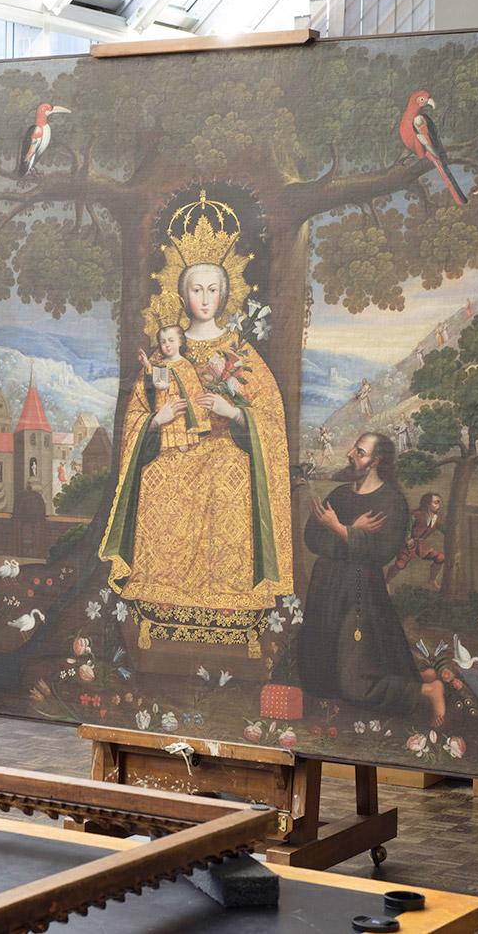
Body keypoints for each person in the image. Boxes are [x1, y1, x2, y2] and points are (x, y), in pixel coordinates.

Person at [100, 193, 294, 658]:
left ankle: (233, 611)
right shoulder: (169, 350)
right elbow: (137, 413)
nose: (204, 299)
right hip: (174, 451)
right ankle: (160, 608)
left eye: (212, 289)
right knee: (162, 483)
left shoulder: (241, 353)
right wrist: (155, 421)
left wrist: (233, 414)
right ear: (181, 294)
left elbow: (269, 419)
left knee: (228, 490)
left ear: (225, 294)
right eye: (195, 289)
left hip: (227, 457)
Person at [298, 433, 447, 725]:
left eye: (360, 451)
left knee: (353, 681)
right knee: (317, 676)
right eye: (354, 448)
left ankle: (428, 690)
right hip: (326, 590)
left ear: (376, 461)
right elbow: (312, 539)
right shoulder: (339, 495)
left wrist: (340, 529)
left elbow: (381, 553)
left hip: (357, 592)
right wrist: (351, 529)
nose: (351, 454)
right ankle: (416, 677)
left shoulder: (391, 502)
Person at [136, 303, 209, 452]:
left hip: (180, 406)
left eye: (171, 340)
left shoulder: (186, 365)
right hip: (164, 404)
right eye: (163, 342)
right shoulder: (161, 365)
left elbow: (194, 390)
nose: (167, 345)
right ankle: (166, 444)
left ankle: (184, 442)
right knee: (167, 431)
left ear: (180, 341)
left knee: (181, 432)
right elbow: (157, 382)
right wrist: (147, 364)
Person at [386, 492, 445, 586]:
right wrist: (408, 539)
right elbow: (407, 527)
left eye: (440, 502)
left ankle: (432, 580)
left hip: (421, 544)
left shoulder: (437, 518)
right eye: (436, 502)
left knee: (440, 557)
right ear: (427, 504)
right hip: (408, 543)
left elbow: (444, 529)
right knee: (400, 565)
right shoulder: (416, 514)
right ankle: (386, 582)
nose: (439, 505)